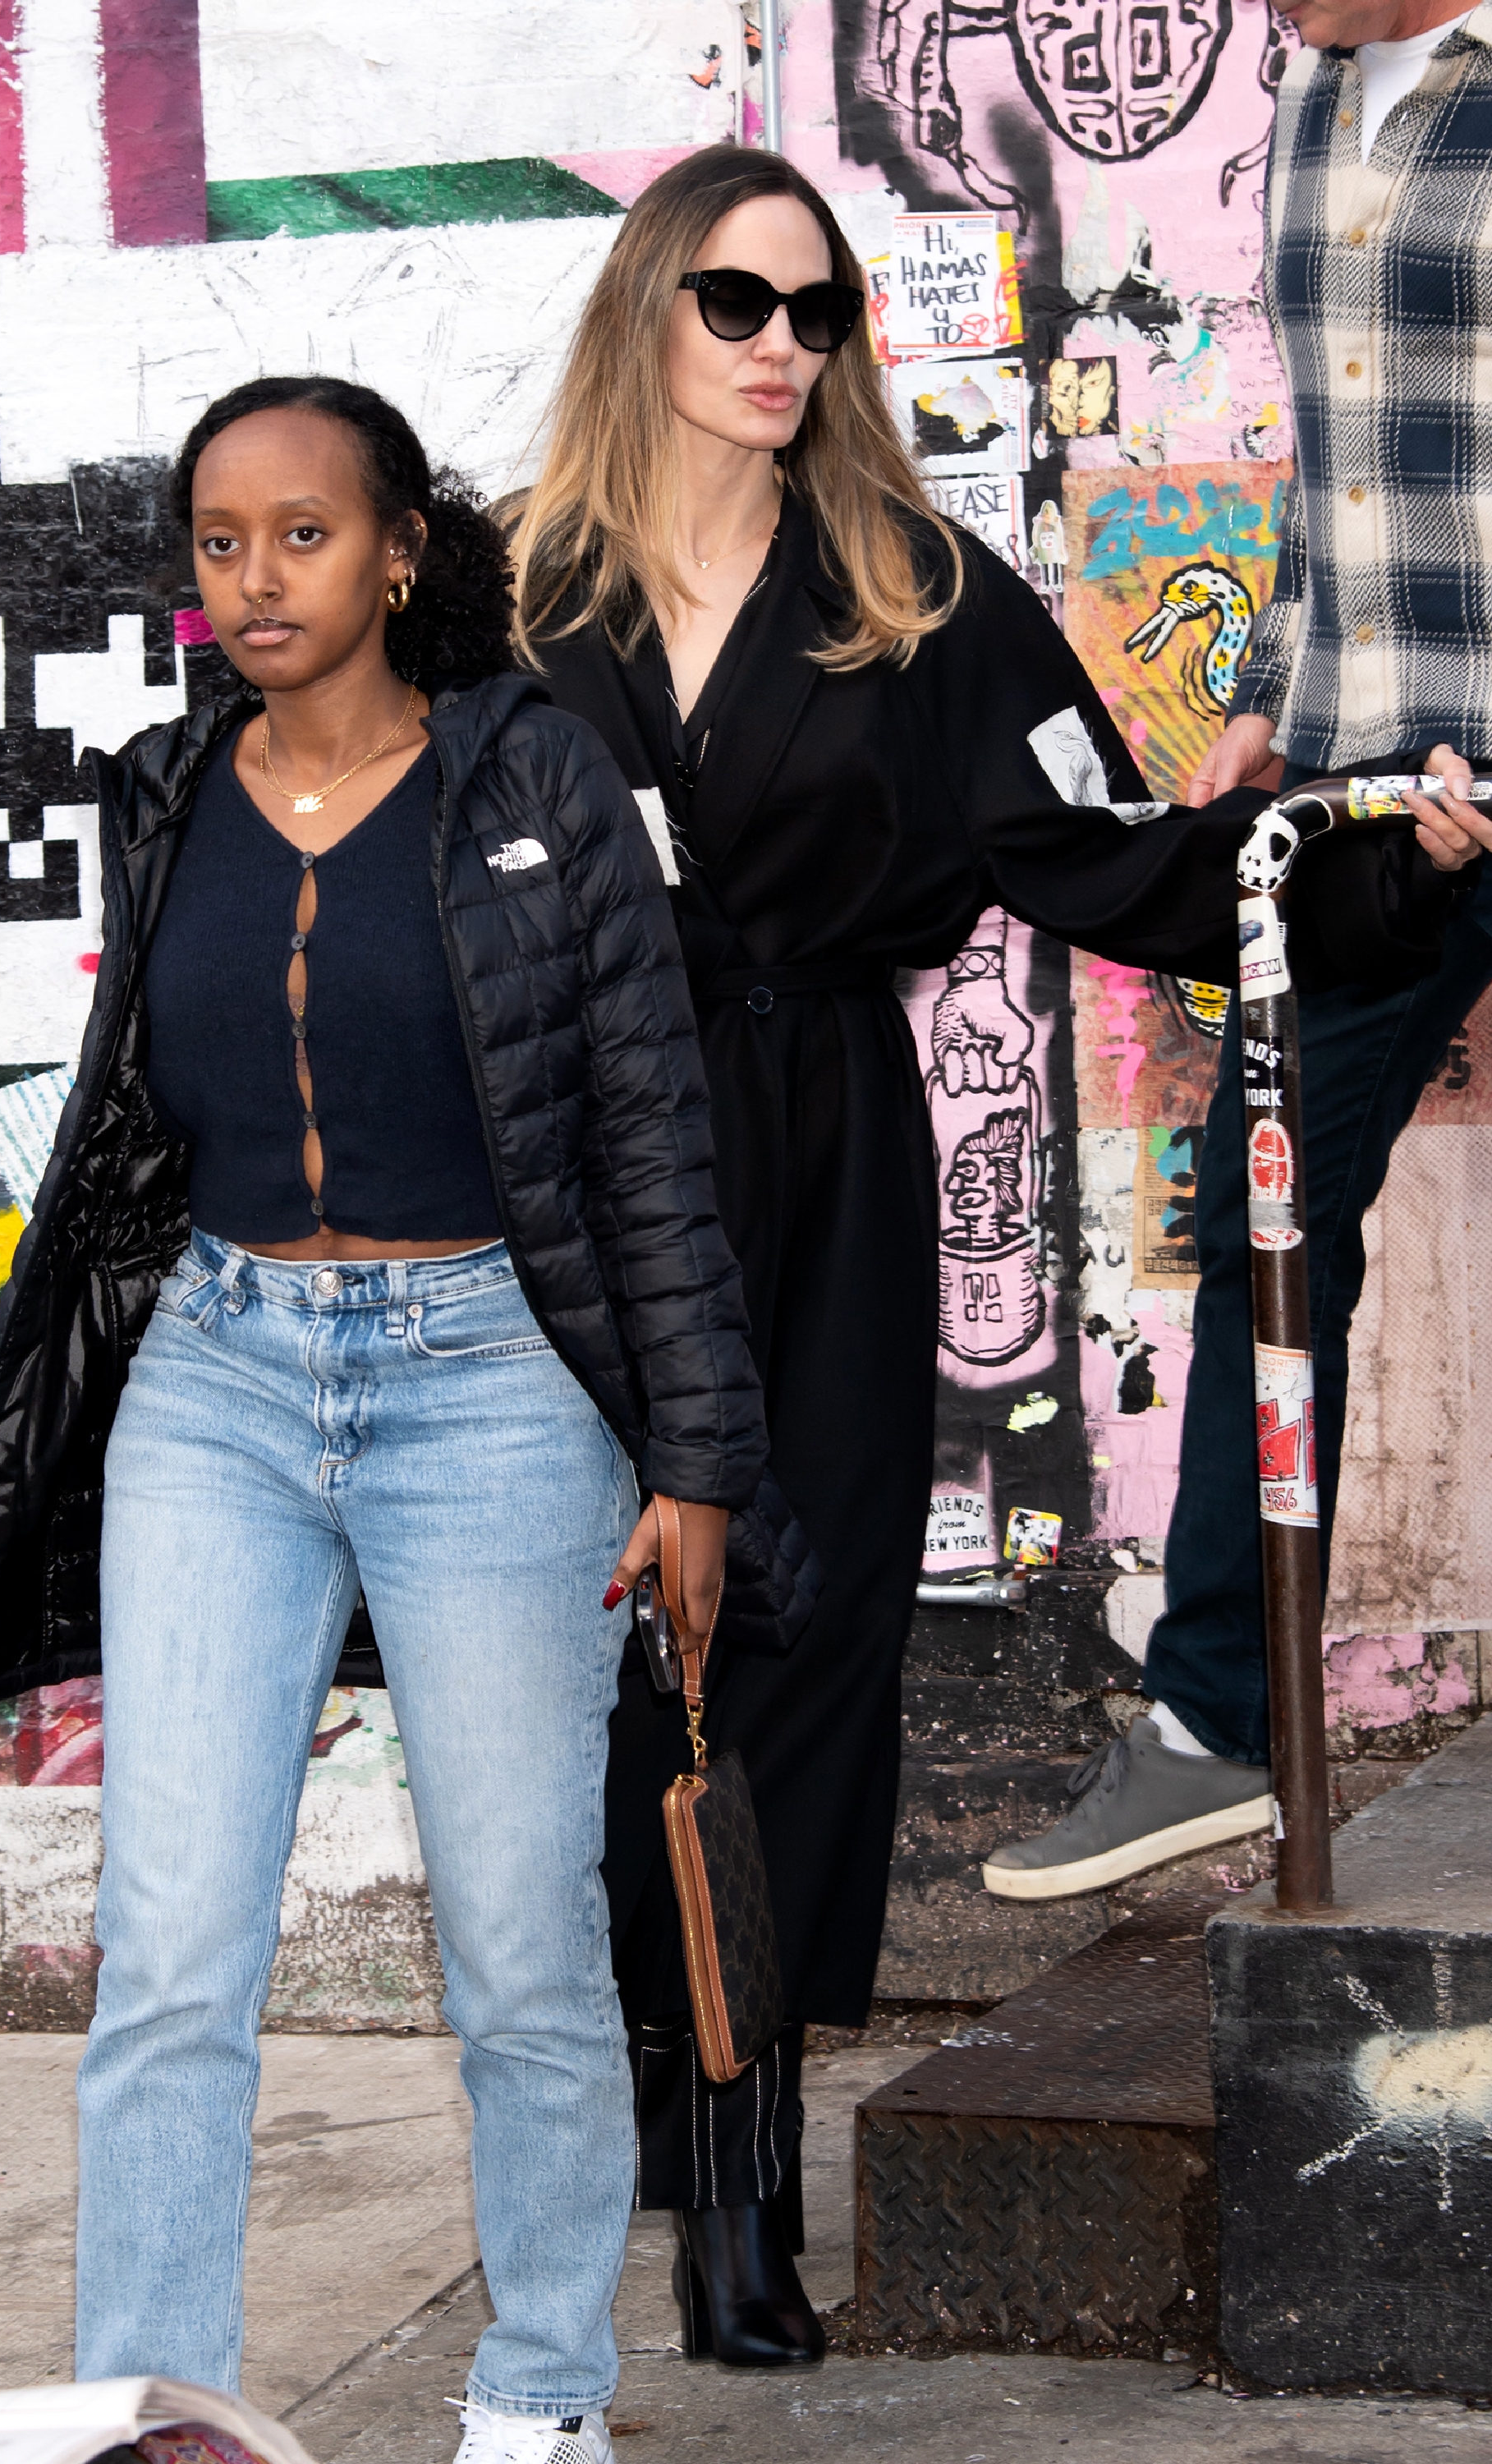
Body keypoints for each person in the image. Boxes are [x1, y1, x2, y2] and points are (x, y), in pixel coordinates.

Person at [505, 144, 1458, 2364]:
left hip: (827, 1137)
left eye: (818, 314)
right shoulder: (521, 599)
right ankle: (639, 2088)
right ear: (649, 307)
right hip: (566, 1159)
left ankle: (743, 2176)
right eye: (737, 304)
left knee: (805, 1629)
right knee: (571, 1649)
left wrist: (1367, 872)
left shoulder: (913, 592)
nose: (779, 350)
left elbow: (1112, 861)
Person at [0, 375, 767, 2464]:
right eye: (217, 539)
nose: (255, 576)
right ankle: (150, 2410)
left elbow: (649, 1142)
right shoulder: (166, 783)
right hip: (220, 1378)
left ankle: (540, 2391)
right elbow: (130, 1120)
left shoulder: (527, 776)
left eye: (300, 533)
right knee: (173, 1951)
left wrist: (697, 1466)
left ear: (396, 552)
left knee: (515, 1944)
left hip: (491, 1389)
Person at [983, 0, 1492, 1901]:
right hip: (1378, 783)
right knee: (1266, 1203)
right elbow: (1339, 450)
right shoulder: (1309, 91)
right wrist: (1287, 693)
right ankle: (1216, 1722)